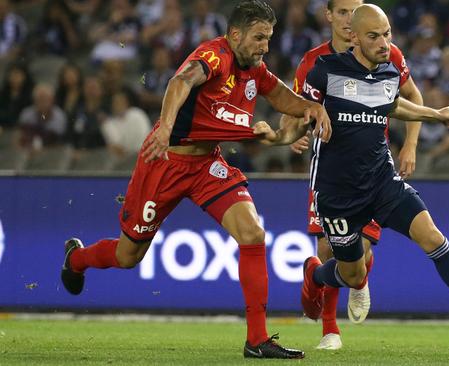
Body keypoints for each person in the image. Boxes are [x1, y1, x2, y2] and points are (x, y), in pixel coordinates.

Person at [59, 0, 331, 359]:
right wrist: (166, 128)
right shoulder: (214, 56)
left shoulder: (254, 68)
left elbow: (282, 96)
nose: (265, 46)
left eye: (269, 38)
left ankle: (257, 340)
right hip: (165, 162)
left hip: (206, 166)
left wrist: (313, 108)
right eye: (259, 38)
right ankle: (77, 259)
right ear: (235, 35)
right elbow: (180, 81)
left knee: (253, 233)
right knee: (128, 256)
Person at [282, 4, 449, 348]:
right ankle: (315, 275)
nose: (383, 42)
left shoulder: (388, 69)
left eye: (387, 34)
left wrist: (434, 114)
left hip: (381, 181)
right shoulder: (323, 71)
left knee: (434, 238)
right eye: (374, 36)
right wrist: (288, 133)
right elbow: (297, 111)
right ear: (355, 38)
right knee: (352, 273)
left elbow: (393, 104)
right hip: (340, 192)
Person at [279, 0, 424, 350]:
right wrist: (292, 133)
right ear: (329, 16)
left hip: (373, 165)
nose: (348, 19)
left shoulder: (388, 52)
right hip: (329, 167)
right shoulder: (315, 61)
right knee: (328, 247)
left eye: (354, 11)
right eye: (342, 12)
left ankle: (357, 282)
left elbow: (412, 96)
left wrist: (410, 146)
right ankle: (331, 330)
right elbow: (296, 105)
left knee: (362, 254)